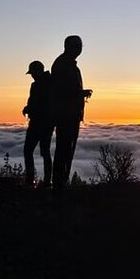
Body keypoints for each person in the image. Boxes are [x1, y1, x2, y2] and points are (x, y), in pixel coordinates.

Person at [51, 35, 93, 192]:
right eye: (78, 46)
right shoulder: (64, 65)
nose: (80, 49)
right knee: (64, 149)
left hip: (69, 114)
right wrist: (80, 94)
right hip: (66, 115)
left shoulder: (66, 64)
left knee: (66, 149)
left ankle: (61, 182)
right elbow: (61, 91)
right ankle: (60, 184)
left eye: (81, 46)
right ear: (69, 46)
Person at [22, 60, 55, 187]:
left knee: (31, 150)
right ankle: (45, 181)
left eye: (33, 73)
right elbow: (35, 103)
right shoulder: (47, 83)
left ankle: (34, 181)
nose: (32, 75)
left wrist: (29, 109)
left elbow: (40, 104)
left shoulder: (44, 84)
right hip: (44, 122)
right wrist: (28, 108)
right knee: (43, 151)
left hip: (40, 122)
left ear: (38, 71)